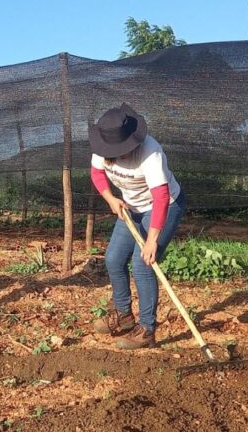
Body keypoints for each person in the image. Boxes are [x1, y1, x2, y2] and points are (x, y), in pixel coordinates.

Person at [88, 103, 185, 349]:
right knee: (113, 259)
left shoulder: (151, 152)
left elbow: (161, 197)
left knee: (142, 264)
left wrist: (152, 239)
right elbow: (97, 174)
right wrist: (111, 199)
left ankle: (147, 330)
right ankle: (124, 316)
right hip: (131, 207)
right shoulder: (102, 147)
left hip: (163, 206)